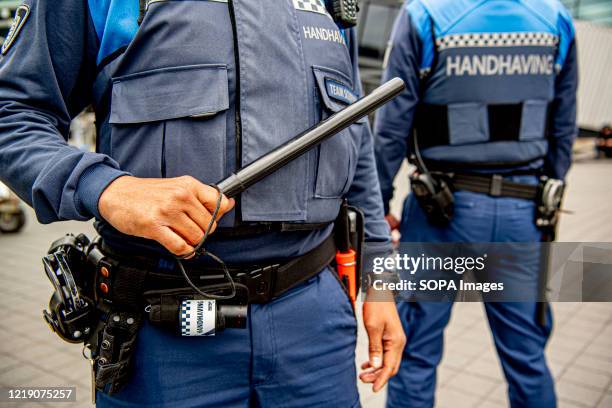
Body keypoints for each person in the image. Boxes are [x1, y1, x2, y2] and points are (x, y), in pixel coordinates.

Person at [0, 0, 406, 406]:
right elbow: (12, 113)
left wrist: (381, 281)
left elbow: (353, 130)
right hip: (164, 335)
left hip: (315, 325)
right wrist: (108, 189)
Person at [374, 0, 578, 407]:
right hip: (522, 215)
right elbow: (563, 126)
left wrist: (378, 203)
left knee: (414, 353)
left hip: (440, 217)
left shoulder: (424, 16)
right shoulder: (556, 19)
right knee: (527, 356)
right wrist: (544, 194)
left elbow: (391, 128)